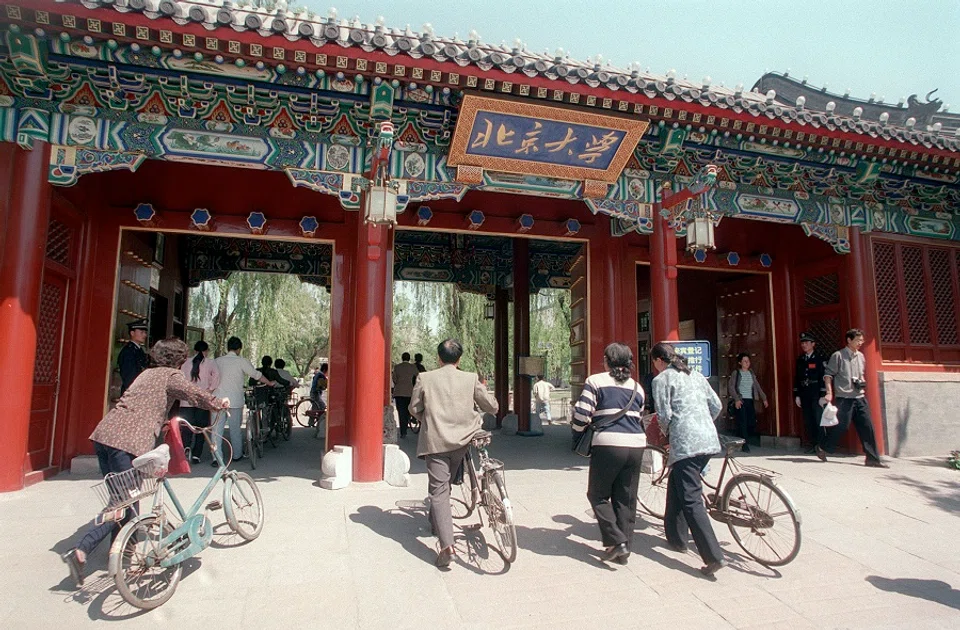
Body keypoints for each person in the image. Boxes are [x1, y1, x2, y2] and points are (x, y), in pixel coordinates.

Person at [62, 337, 228, 587]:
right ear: (180, 360)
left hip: (105, 435)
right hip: (127, 442)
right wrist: (218, 403)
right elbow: (195, 394)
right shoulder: (171, 376)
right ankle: (82, 549)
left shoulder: (146, 374)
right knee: (123, 501)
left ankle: (120, 557)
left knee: (123, 498)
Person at [409, 339, 499, 568]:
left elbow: (413, 408)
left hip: (436, 441)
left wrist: (429, 421)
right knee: (446, 482)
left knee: (439, 490)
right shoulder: (470, 378)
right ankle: (436, 522)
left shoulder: (425, 378)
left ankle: (447, 547)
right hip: (463, 442)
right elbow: (492, 406)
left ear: (439, 358)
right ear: (460, 359)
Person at [652, 342, 726, 577]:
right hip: (708, 439)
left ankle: (713, 555)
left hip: (686, 443)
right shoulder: (695, 375)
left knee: (692, 499)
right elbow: (716, 405)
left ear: (659, 361)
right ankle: (677, 538)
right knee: (677, 485)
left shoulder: (662, 380)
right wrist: (703, 423)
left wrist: (667, 435)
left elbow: (663, 414)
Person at [572, 342, 646, 565]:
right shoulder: (637, 387)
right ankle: (623, 551)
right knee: (626, 498)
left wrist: (577, 433)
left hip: (608, 445)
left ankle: (617, 540)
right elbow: (639, 416)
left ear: (607, 361)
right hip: (636, 445)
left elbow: (582, 415)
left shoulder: (595, 381)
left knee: (597, 494)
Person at [817, 329, 888, 468]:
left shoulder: (861, 356)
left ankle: (873, 459)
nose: (860, 343)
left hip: (859, 396)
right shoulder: (838, 356)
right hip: (844, 397)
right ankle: (823, 447)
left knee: (867, 426)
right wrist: (829, 392)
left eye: (861, 340)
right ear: (849, 340)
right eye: (857, 340)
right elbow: (828, 375)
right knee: (841, 426)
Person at [215, 337, 276, 465]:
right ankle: (237, 455)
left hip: (218, 399)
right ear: (239, 349)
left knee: (216, 430)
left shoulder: (217, 361)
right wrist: (269, 383)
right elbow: (256, 375)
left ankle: (216, 457)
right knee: (235, 429)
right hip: (235, 400)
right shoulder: (241, 361)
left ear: (228, 348)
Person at [179, 340, 220, 464]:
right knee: (201, 428)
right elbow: (217, 376)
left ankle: (186, 447)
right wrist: (209, 390)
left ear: (195, 351)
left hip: (186, 400)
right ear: (206, 351)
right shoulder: (211, 363)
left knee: (186, 427)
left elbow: (179, 378)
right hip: (202, 400)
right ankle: (197, 455)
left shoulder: (185, 362)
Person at [726, 353, 768, 453]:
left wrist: (764, 398)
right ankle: (744, 445)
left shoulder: (751, 373)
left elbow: (757, 386)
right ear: (740, 362)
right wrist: (736, 399)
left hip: (750, 400)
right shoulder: (736, 373)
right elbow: (731, 387)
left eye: (748, 361)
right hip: (741, 400)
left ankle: (740, 439)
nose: (747, 363)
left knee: (751, 422)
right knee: (743, 422)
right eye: (744, 361)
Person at [794, 332, 827, 454]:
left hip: (816, 393)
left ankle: (821, 445)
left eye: (807, 343)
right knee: (808, 420)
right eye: (802, 343)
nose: (804, 345)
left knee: (818, 419)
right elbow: (797, 377)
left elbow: (824, 377)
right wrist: (797, 394)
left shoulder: (819, 358)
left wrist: (823, 395)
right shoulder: (801, 359)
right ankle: (813, 444)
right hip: (805, 393)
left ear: (813, 344)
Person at [117, 319, 149, 396]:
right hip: (132, 392)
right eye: (141, 332)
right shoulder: (128, 351)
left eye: (145, 332)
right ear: (132, 333)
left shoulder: (139, 350)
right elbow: (129, 376)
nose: (144, 335)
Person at [392, 352, 419, 438]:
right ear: (409, 358)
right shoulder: (412, 367)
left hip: (399, 392)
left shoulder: (397, 367)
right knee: (408, 410)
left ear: (402, 358)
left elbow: (394, 379)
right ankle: (408, 421)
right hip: (409, 392)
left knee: (401, 412)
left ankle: (403, 432)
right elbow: (418, 376)